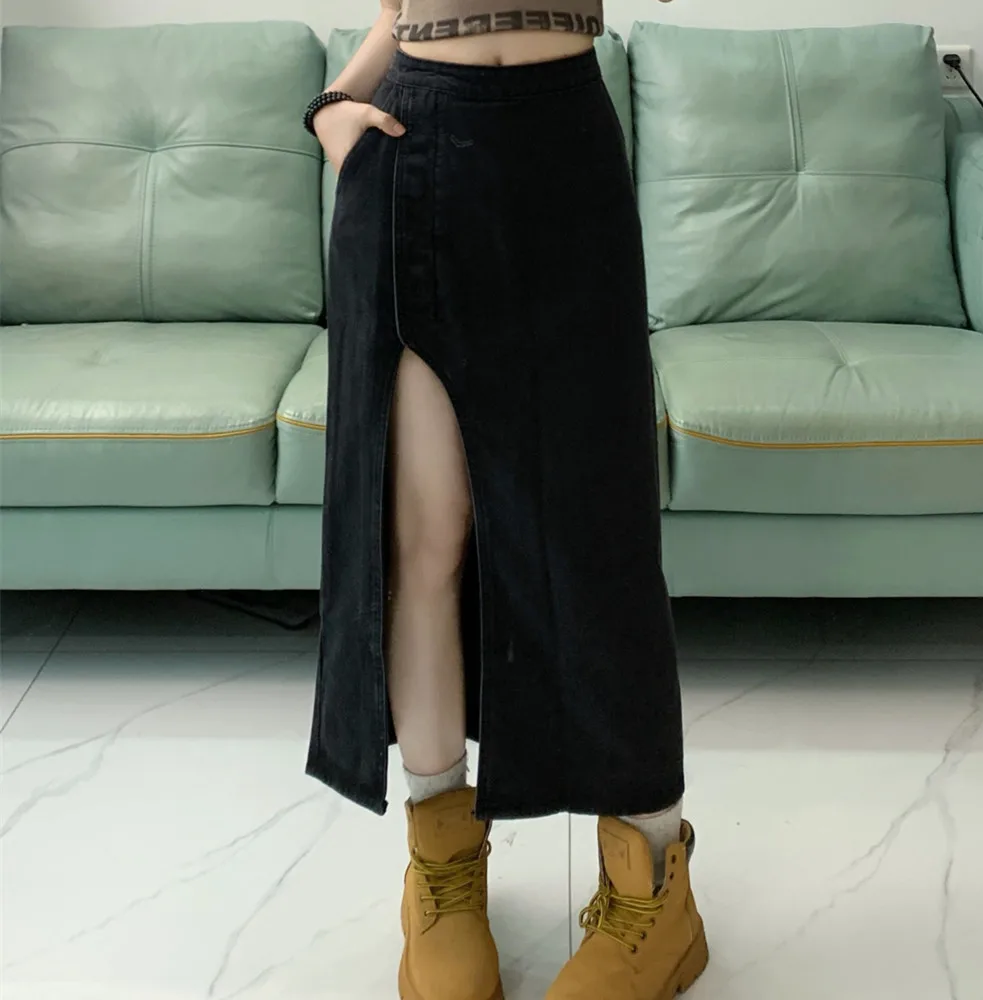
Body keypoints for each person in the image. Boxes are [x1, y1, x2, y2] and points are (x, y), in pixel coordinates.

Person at [304, 2, 708, 998]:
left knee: (599, 544)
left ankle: (653, 886)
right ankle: (440, 866)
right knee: (422, 541)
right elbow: (399, 11)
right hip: (414, 144)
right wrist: (334, 104)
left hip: (561, 146)